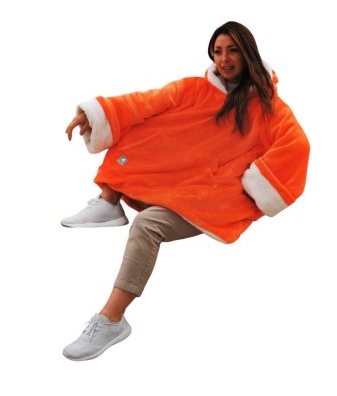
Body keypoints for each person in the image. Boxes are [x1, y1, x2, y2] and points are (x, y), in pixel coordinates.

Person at [61, 21, 310, 361]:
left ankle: (111, 320)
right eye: (218, 51)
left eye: (233, 50)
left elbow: (298, 146)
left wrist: (253, 183)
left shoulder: (271, 109)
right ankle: (109, 201)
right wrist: (94, 114)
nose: (224, 59)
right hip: (174, 183)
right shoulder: (194, 89)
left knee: (147, 224)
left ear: (248, 53)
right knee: (144, 122)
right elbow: (145, 101)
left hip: (212, 200)